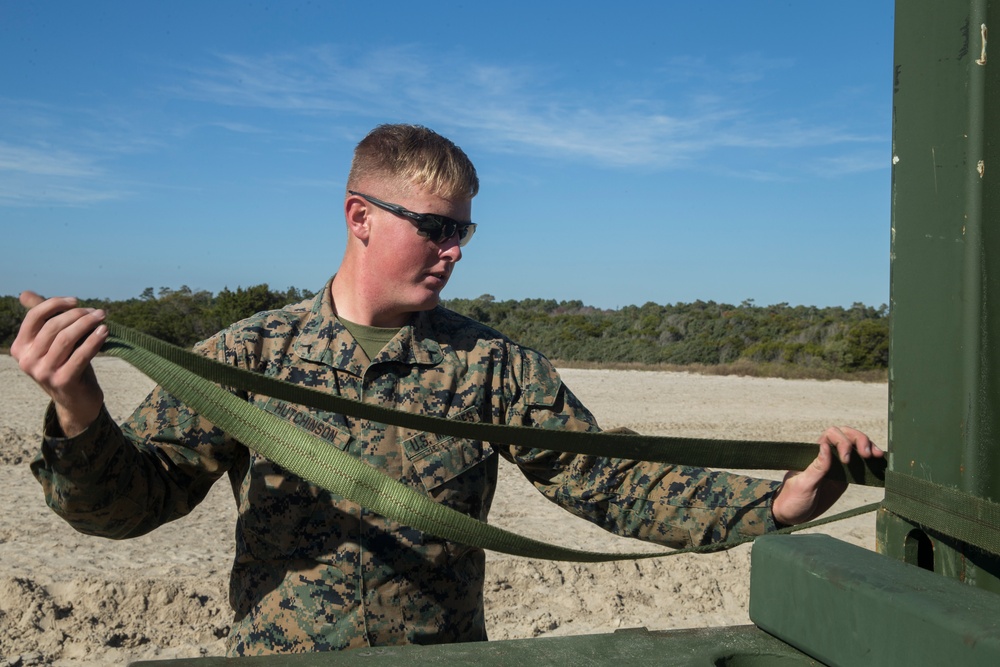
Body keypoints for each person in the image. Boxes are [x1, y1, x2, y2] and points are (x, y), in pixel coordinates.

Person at [12, 123, 883, 656]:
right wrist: (80, 410)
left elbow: (610, 481)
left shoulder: (491, 365)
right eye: (434, 227)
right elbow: (129, 506)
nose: (456, 247)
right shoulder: (251, 351)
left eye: (463, 228)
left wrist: (774, 504)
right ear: (360, 218)